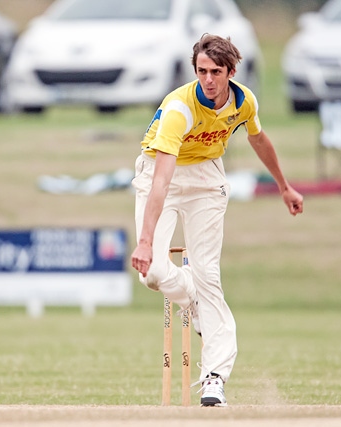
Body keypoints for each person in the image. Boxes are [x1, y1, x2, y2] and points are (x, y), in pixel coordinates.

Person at [130, 34, 304, 406]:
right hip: (160, 175)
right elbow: (161, 181)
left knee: (208, 274)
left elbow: (259, 140)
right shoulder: (180, 109)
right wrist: (144, 241)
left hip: (207, 178)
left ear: (231, 72)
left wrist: (284, 186)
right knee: (154, 275)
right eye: (201, 71)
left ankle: (214, 378)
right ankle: (188, 295)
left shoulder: (244, 102)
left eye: (215, 72)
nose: (208, 80)